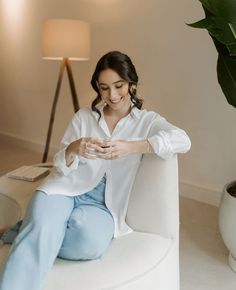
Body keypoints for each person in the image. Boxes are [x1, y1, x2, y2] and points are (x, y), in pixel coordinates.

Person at [0, 51, 191, 290]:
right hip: (63, 188)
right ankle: (34, 235)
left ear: (131, 82)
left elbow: (182, 140)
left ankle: (26, 230)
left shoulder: (147, 122)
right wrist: (73, 148)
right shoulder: (84, 117)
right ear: (98, 89)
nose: (112, 95)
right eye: (104, 87)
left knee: (88, 244)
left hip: (103, 204)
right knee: (44, 221)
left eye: (118, 85)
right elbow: (59, 164)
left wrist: (131, 147)